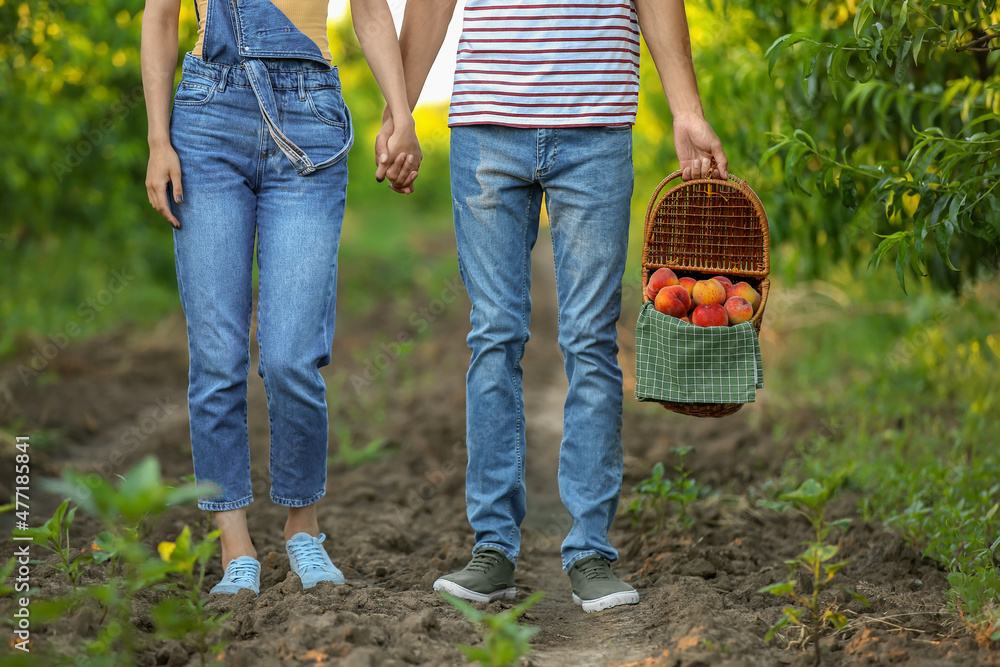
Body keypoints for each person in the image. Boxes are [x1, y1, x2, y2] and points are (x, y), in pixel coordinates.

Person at [376, 0, 728, 612]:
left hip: (596, 128)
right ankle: (492, 548)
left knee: (590, 338)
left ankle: (591, 549)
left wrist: (688, 111)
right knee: (494, 335)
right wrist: (398, 112)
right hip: (487, 128)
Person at [141, 0, 419, 595]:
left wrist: (402, 114)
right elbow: (161, 15)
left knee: (291, 355)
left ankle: (302, 529)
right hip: (208, 117)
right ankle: (235, 546)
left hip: (309, 110)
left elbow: (370, 11)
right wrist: (158, 140)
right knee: (217, 357)